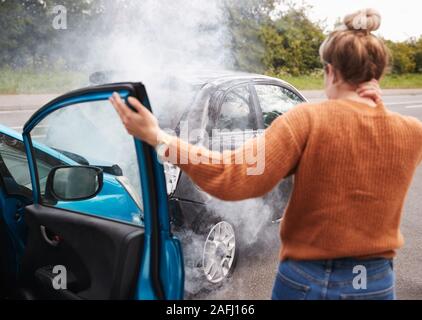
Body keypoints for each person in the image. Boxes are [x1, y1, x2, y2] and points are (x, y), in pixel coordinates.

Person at [109, 8, 422, 300]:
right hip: (376, 282)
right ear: (377, 74)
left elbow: (234, 178)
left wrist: (158, 138)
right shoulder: (411, 132)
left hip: (307, 279)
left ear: (330, 72)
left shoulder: (307, 120)